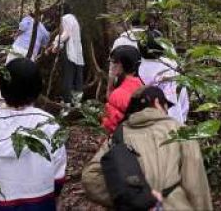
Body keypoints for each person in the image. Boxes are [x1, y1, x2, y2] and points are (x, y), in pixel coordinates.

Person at [82, 86, 213, 210]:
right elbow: (195, 184)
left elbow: (90, 178)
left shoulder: (119, 135)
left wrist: (130, 197)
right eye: (166, 107)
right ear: (157, 103)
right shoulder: (180, 130)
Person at [0, 58, 67, 210]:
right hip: (41, 202)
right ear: (37, 88)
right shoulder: (49, 123)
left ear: (3, 88)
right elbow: (58, 171)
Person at [138, 30, 189, 124]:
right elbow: (182, 96)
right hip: (173, 121)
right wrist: (182, 118)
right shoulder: (172, 67)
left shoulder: (136, 70)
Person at [48, 4, 84, 107]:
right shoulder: (74, 19)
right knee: (78, 77)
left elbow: (66, 34)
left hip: (69, 52)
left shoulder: (65, 18)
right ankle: (77, 102)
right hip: (78, 52)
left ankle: (67, 102)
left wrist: (56, 43)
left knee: (67, 77)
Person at [102, 45, 144, 134]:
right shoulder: (143, 86)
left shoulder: (118, 94)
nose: (112, 66)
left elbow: (109, 127)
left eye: (113, 62)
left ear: (120, 65)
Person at [106, 12, 146, 98]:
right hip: (145, 83)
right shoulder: (151, 39)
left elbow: (113, 66)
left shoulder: (120, 40)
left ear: (130, 24)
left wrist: (109, 88)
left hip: (124, 83)